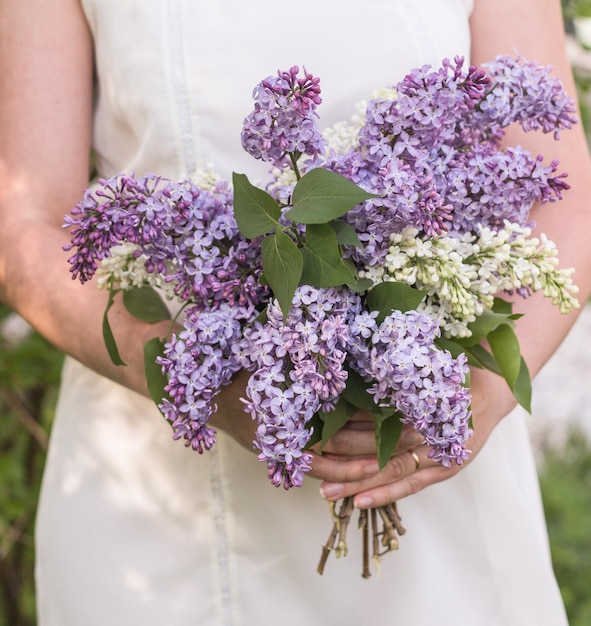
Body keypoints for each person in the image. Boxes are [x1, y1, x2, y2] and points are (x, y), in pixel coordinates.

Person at [1, 0, 590, 624]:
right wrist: (191, 372)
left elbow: (568, 204)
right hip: (160, 501)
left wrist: (480, 393)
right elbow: (24, 228)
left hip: (434, 472)